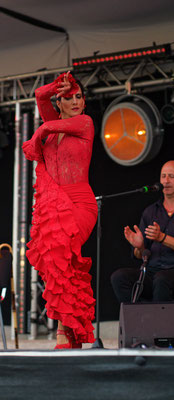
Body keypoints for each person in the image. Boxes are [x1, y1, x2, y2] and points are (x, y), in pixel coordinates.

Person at [22, 71, 98, 349]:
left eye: (79, 96)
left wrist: (37, 135)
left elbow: (45, 129)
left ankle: (64, 334)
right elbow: (39, 96)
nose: (76, 101)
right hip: (55, 206)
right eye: (68, 98)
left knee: (61, 255)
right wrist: (55, 86)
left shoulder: (85, 124)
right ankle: (71, 333)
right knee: (57, 265)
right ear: (59, 103)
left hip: (79, 204)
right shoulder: (53, 123)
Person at [111, 160, 174, 303]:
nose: (166, 181)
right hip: (153, 272)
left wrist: (162, 238)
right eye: (163, 176)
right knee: (119, 277)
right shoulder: (150, 211)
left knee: (162, 279)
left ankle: (157, 321)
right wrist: (140, 247)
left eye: (171, 176)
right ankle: (144, 318)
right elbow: (139, 255)